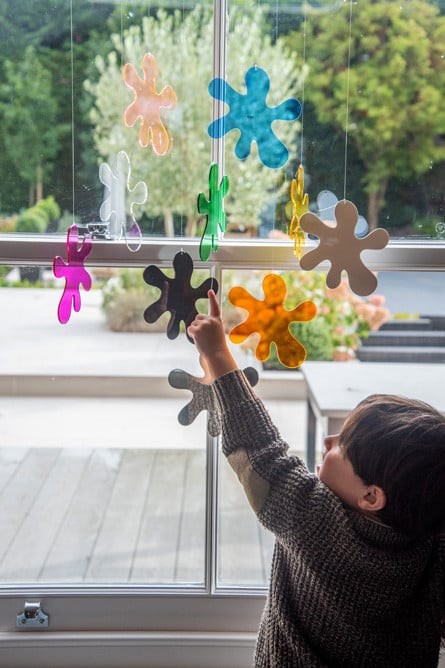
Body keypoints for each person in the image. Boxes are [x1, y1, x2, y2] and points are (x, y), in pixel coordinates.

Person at [187, 289, 445, 668]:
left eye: (342, 446)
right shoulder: (432, 539)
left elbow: (260, 451)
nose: (328, 441)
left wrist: (217, 352)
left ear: (372, 496)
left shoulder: (316, 521)